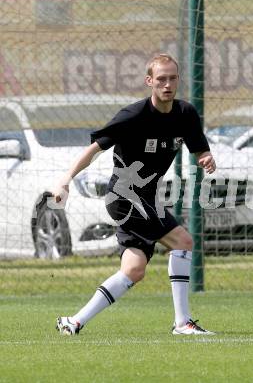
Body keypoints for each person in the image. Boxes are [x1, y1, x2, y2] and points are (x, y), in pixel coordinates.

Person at [54, 53, 217, 336]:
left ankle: (73, 322)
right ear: (149, 81)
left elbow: (200, 149)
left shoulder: (185, 114)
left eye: (172, 78)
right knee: (183, 240)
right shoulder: (133, 116)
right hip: (124, 196)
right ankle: (182, 323)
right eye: (161, 79)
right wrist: (66, 180)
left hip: (148, 197)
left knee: (134, 269)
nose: (167, 84)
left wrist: (206, 158)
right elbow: (94, 149)